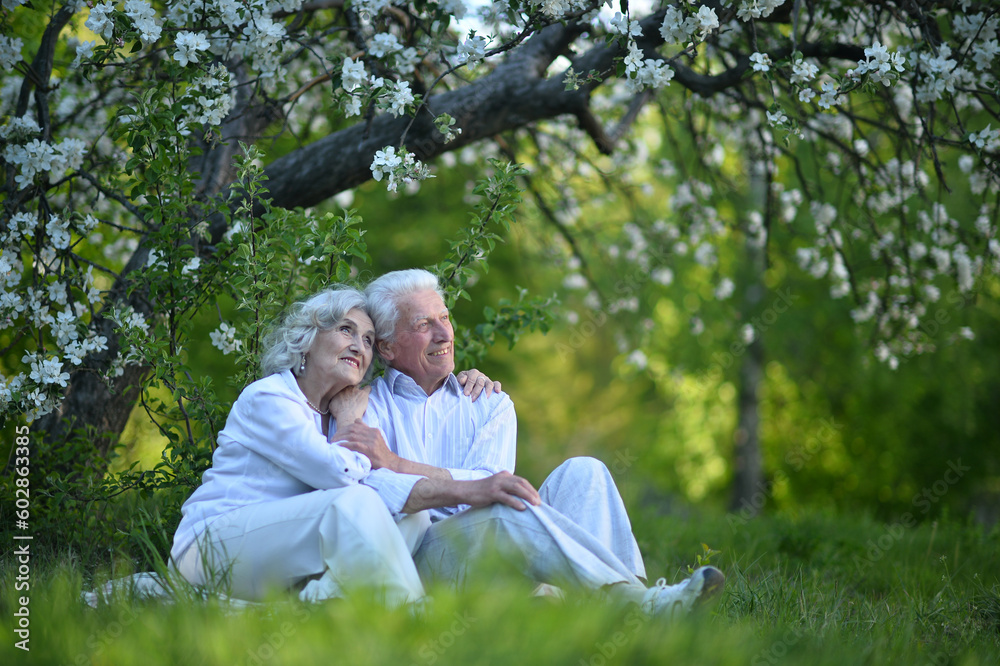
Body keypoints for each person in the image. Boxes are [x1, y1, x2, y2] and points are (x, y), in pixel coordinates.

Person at [334, 269, 725, 616]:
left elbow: (487, 480)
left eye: (446, 318)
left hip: (499, 548)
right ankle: (635, 607)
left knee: (585, 471)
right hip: (426, 560)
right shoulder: (366, 406)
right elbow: (372, 490)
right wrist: (464, 485)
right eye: (423, 325)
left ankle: (629, 601)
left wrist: (398, 463)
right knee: (504, 510)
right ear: (386, 347)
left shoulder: (489, 401)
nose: (444, 334)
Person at [169, 287, 438, 607]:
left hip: (276, 556)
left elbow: (374, 488)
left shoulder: (338, 413)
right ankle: (412, 615)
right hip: (209, 553)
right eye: (345, 330)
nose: (359, 346)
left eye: (368, 340)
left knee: (413, 516)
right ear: (307, 338)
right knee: (354, 503)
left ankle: (318, 603)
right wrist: (351, 420)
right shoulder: (268, 398)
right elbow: (340, 476)